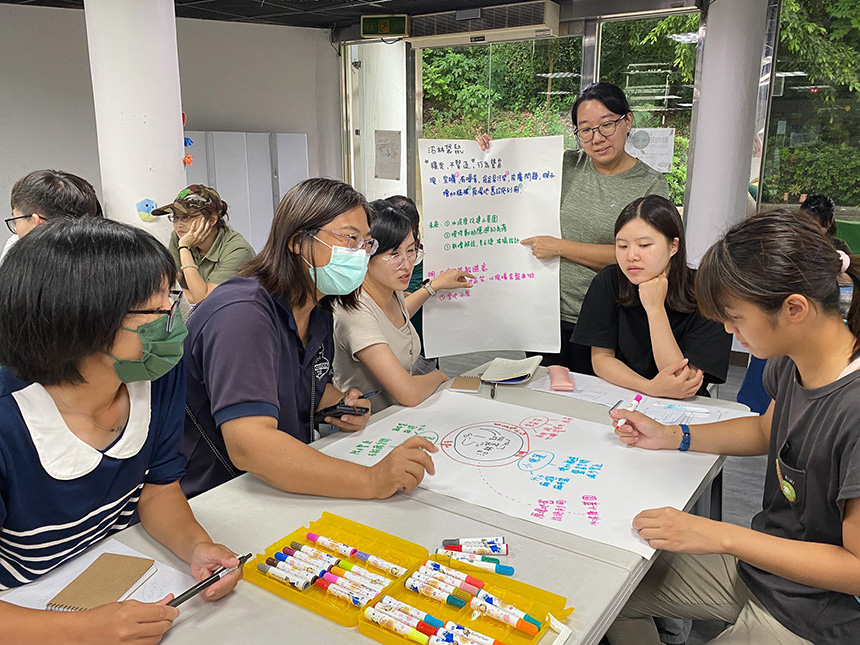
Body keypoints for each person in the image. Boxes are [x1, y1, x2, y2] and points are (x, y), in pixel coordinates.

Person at [606, 210, 860, 644]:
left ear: (794, 308)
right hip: (763, 572)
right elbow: (766, 430)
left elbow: (855, 570)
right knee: (612, 590)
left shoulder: (852, 408)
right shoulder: (791, 359)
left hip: (817, 613)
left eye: (735, 317)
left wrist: (720, 535)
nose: (727, 329)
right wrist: (673, 436)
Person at [0, 218, 241, 642]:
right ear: (83, 321)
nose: (173, 318)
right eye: (158, 308)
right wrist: (80, 630)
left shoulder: (156, 374)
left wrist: (197, 546)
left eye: (173, 298)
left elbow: (158, 490)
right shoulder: (10, 419)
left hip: (114, 567)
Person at [180, 178, 437, 499]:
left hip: (278, 483)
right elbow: (250, 445)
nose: (359, 254)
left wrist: (338, 404)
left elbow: (302, 387)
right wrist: (371, 480)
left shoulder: (318, 308)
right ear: (298, 241)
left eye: (366, 243)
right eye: (349, 239)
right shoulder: (243, 315)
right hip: (214, 495)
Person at [477, 82, 670, 374]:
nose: (597, 138)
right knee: (547, 396)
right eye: (586, 130)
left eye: (607, 125)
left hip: (609, 319)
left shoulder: (651, 185)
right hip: (544, 313)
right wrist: (488, 153)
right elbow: (507, 179)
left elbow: (641, 256)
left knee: (598, 402)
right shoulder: (562, 165)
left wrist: (560, 247)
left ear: (627, 121)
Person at [574, 195, 731, 398]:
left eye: (644, 245)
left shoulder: (706, 290)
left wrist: (655, 308)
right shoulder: (609, 280)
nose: (631, 256)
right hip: (622, 393)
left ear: (673, 246)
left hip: (684, 407)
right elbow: (601, 359)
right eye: (622, 246)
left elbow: (680, 380)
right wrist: (648, 388)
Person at [333, 204, 473, 410]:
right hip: (365, 428)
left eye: (410, 251)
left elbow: (395, 318)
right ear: (367, 253)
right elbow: (409, 393)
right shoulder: (354, 310)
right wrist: (439, 376)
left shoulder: (390, 290)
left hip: (398, 416)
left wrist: (434, 286)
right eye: (394, 254)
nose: (407, 265)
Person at [152, 184, 255, 305]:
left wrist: (184, 249)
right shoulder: (179, 236)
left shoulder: (237, 250)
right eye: (175, 217)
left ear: (212, 220)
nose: (178, 224)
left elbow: (204, 300)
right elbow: (165, 287)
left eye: (186, 217)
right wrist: (191, 294)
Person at [2, 169, 102, 262]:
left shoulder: (18, 255)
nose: (16, 231)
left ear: (35, 222)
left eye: (16, 220)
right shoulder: (106, 257)